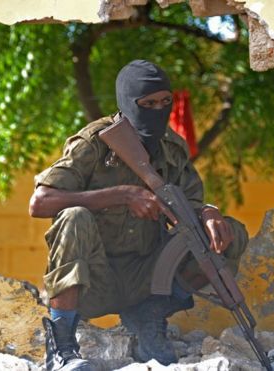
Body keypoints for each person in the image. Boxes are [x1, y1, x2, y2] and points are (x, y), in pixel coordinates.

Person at [29, 60, 249, 371]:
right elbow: (41, 202)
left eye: (165, 102)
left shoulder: (171, 147)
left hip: (147, 278)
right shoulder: (94, 142)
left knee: (229, 233)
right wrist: (120, 195)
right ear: (127, 103)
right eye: (147, 104)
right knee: (74, 217)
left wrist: (210, 212)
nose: (158, 110)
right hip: (93, 280)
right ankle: (62, 348)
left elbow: (190, 203)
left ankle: (149, 317)